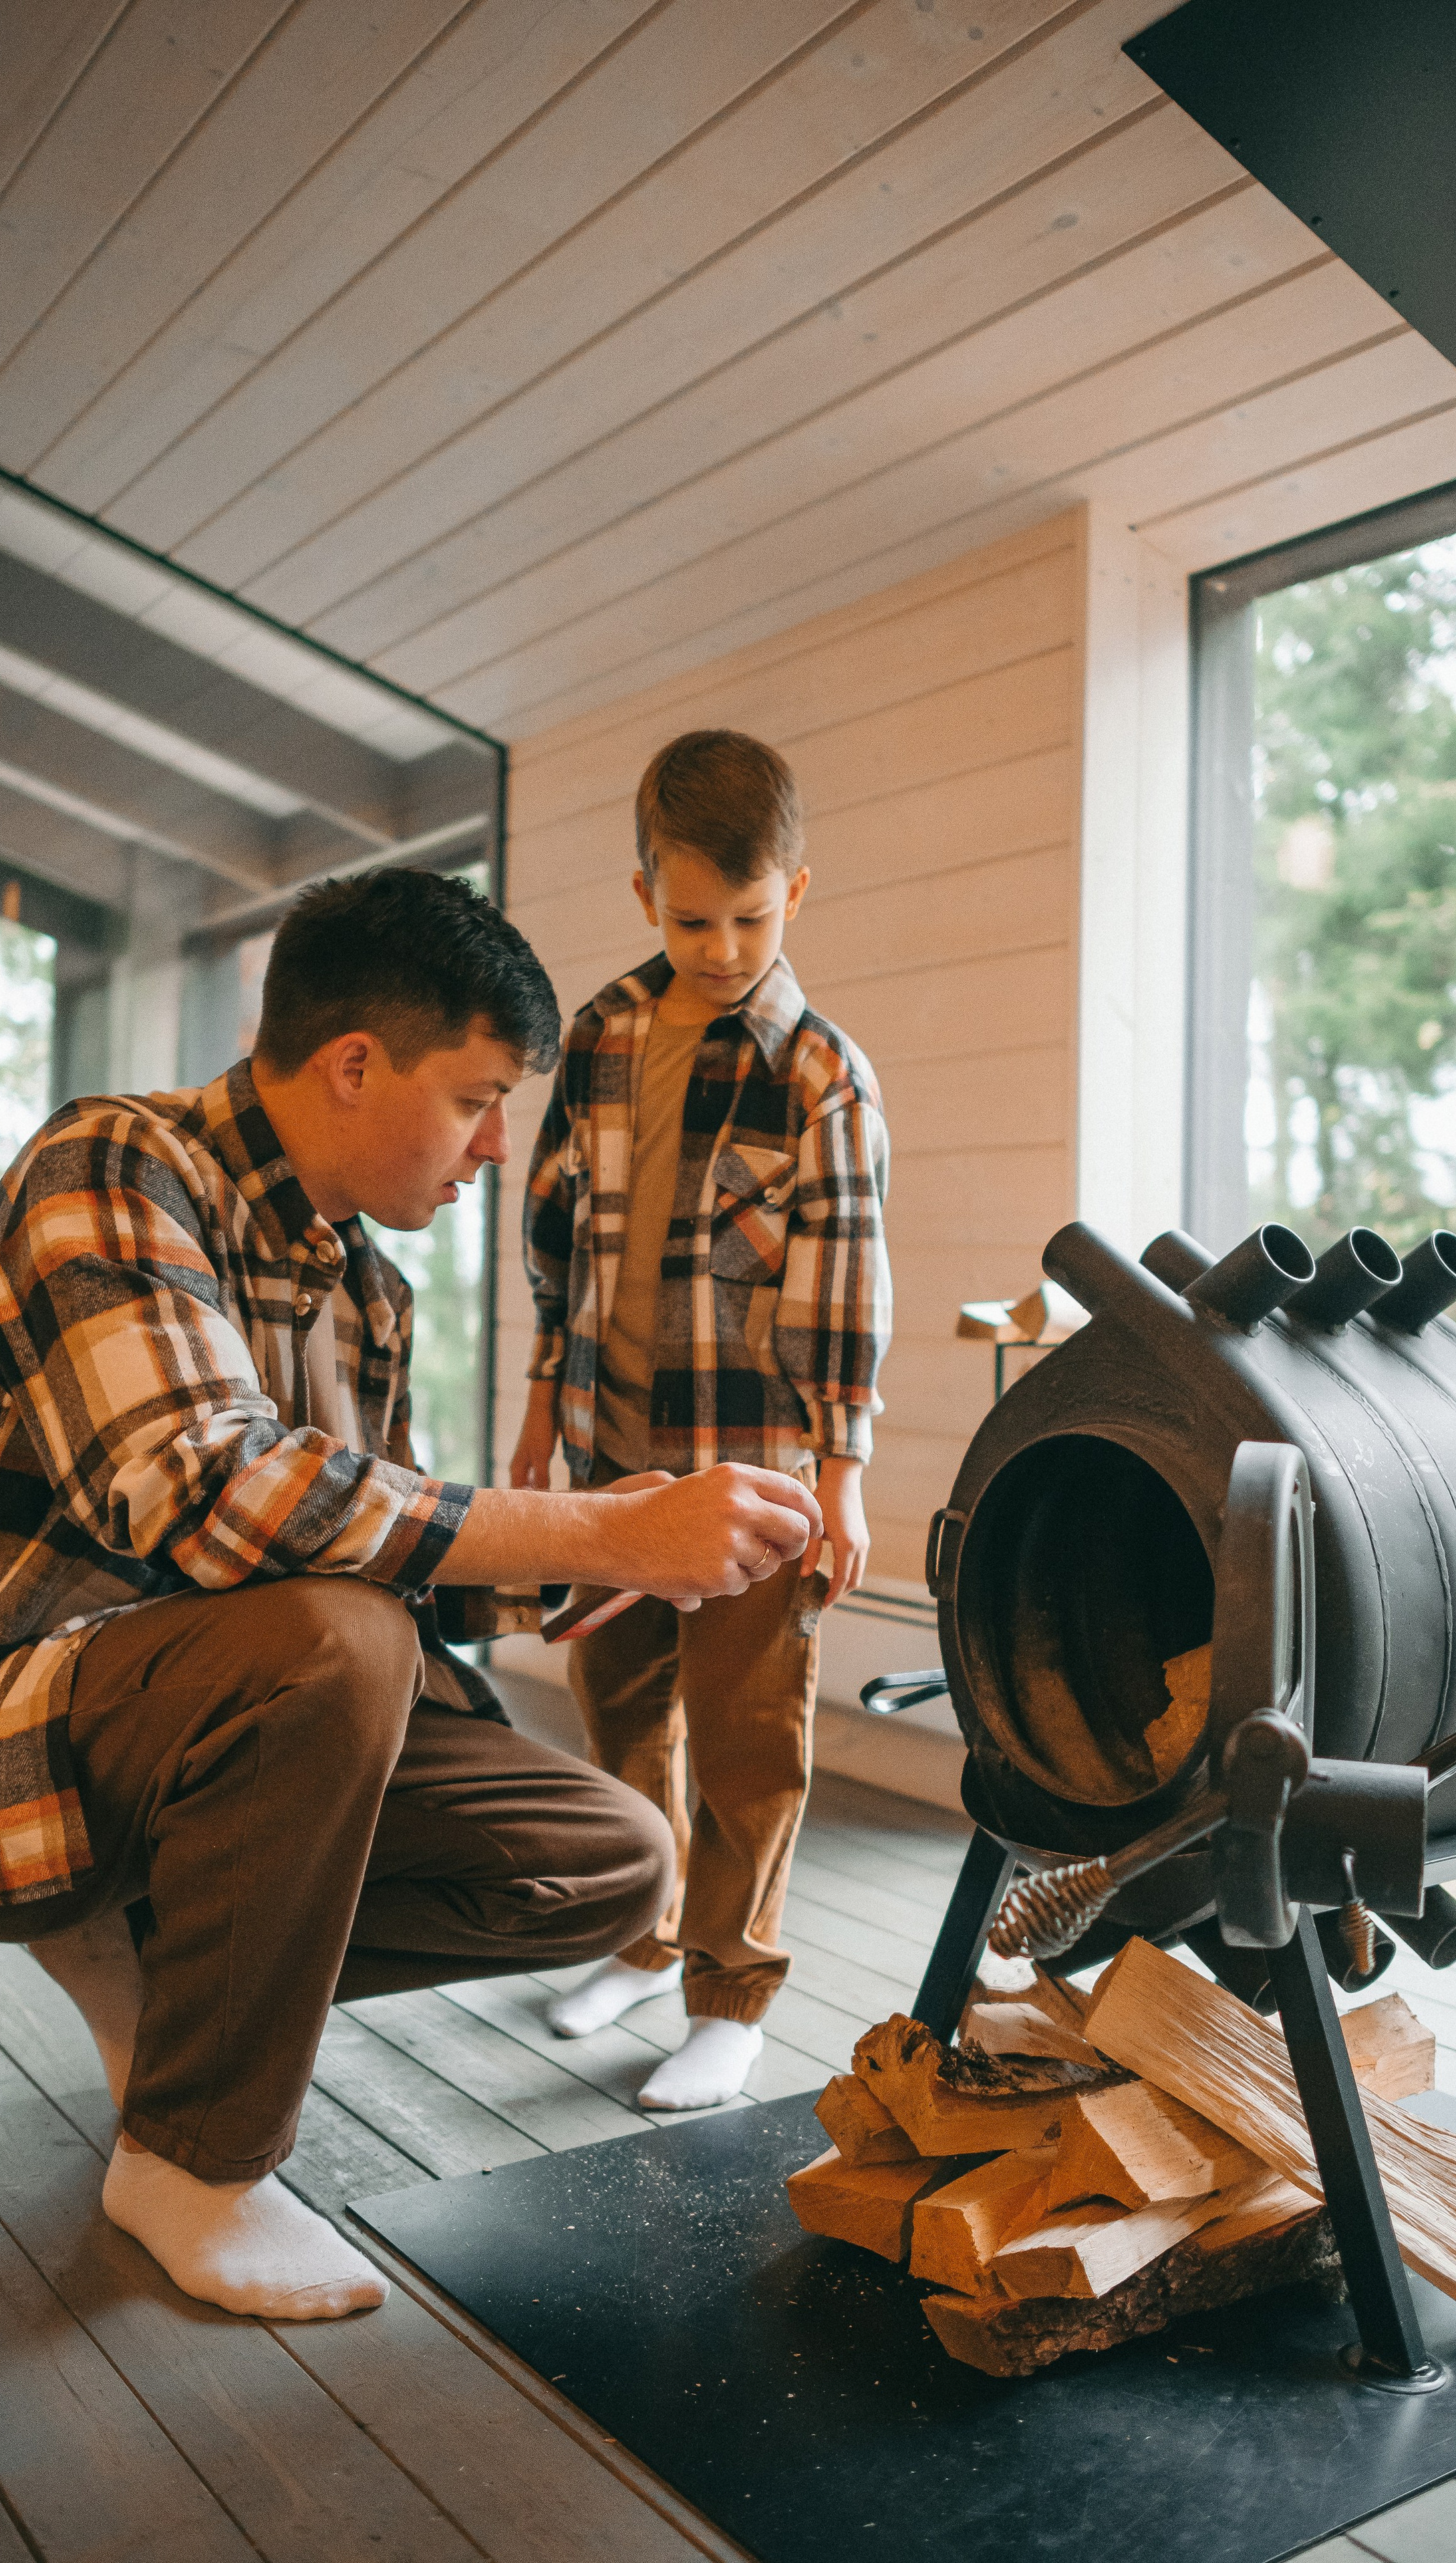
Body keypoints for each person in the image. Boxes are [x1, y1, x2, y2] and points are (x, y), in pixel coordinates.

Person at [0, 867, 823, 2322]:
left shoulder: (366, 1292)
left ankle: (169, 1962)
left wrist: (623, 1553)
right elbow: (211, 1494)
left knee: (610, 1860)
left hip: (192, 1722)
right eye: (476, 1100)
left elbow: (376, 1551)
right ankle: (191, 2164)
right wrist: (606, 1531)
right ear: (354, 1064)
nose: (495, 1147)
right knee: (328, 1642)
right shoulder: (112, 1167)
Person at [513, 730, 891, 2110]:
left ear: (796, 891)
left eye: (750, 917)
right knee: (621, 1712)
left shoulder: (824, 1077)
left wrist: (842, 1477)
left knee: (746, 1738)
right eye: (690, 921)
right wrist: (538, 1414)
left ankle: (730, 1993)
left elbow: (845, 1282)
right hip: (609, 1455)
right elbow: (554, 1238)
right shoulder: (601, 1035)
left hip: (758, 1471)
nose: (722, 948)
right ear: (643, 897)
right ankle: (643, 1934)